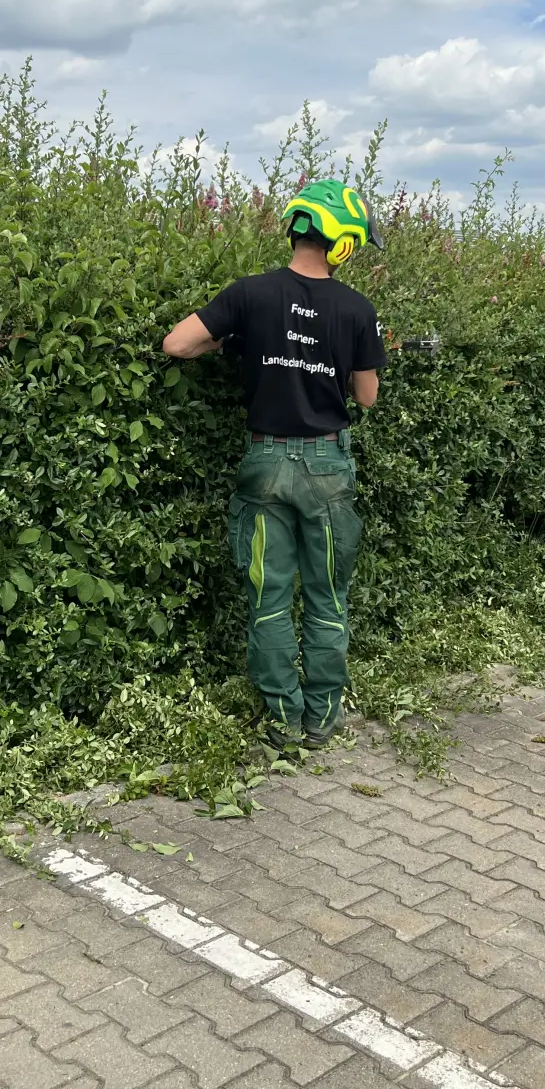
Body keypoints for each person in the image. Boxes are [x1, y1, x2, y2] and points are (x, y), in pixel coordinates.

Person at [163, 178, 386, 750]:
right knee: (326, 595)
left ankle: (282, 721)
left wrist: (235, 341)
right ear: (342, 241)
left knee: (268, 596)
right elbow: (367, 397)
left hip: (264, 463)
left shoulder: (250, 294)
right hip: (326, 468)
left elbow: (177, 344)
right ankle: (322, 717)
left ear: (296, 227)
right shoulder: (357, 309)